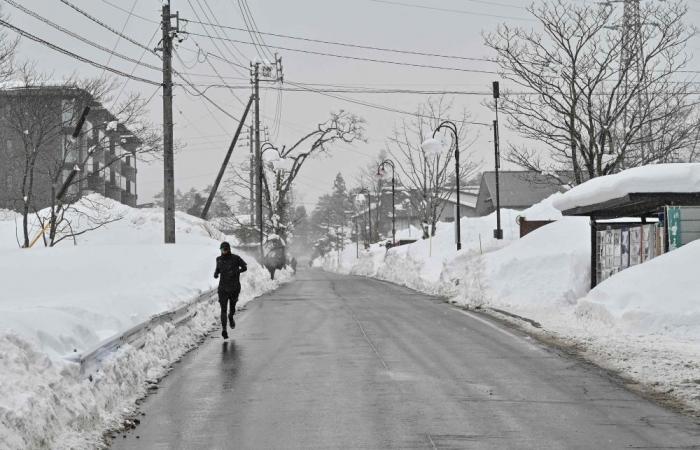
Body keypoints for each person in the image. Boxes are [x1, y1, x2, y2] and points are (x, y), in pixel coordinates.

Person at [214, 241, 247, 339]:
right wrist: (216, 274)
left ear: (228, 249)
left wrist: (237, 271)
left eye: (225, 249)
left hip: (234, 288)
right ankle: (224, 330)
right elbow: (217, 270)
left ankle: (231, 316)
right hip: (223, 288)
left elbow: (244, 267)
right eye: (222, 249)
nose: (223, 251)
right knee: (223, 309)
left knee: (232, 308)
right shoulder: (218, 259)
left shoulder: (236, 258)